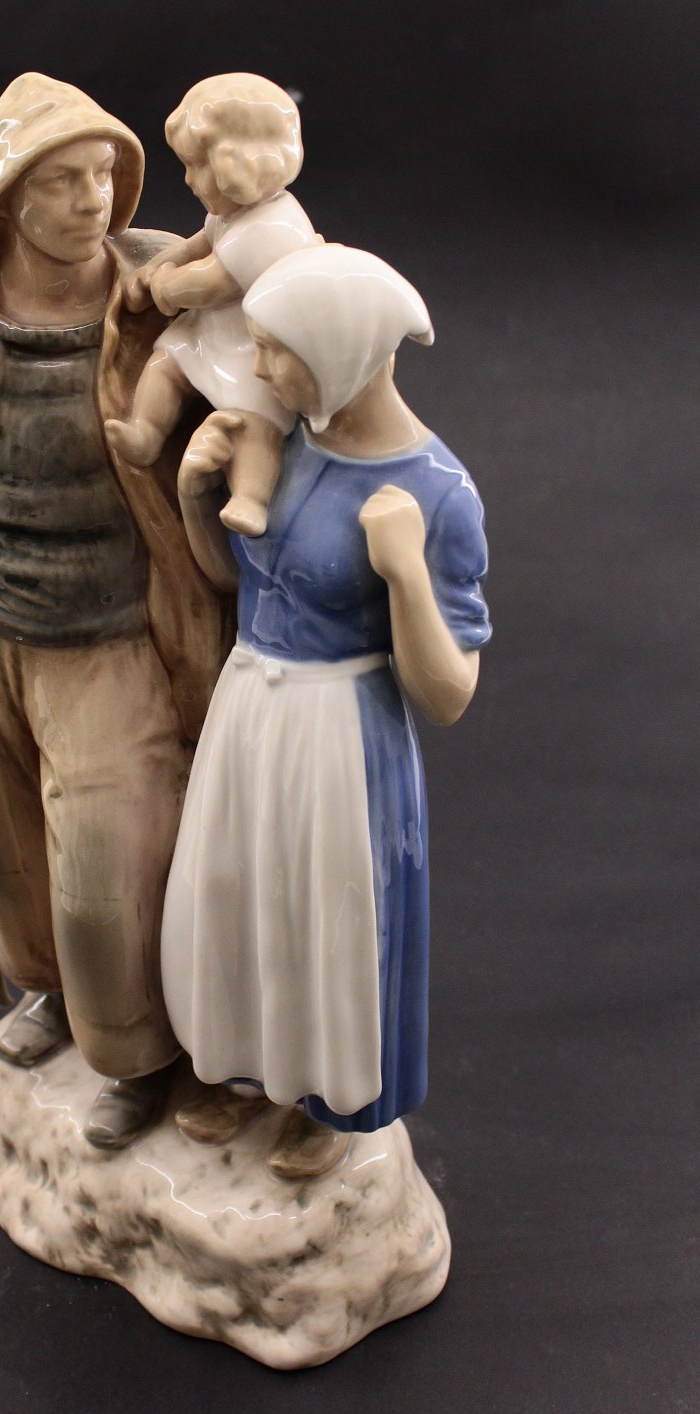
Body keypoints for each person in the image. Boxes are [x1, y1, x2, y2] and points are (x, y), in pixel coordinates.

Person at [0, 73, 231, 1149]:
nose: (92, 198)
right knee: (6, 846)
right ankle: (51, 997)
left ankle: (136, 1053)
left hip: (113, 639)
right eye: (63, 180)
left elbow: (264, 399)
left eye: (104, 175)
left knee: (108, 873)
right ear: (6, 199)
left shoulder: (162, 304)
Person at [161, 245, 491, 1180]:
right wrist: (195, 498)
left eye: (278, 350)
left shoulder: (438, 493)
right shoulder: (289, 442)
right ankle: (243, 1069)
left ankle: (330, 1101)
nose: (259, 368)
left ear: (342, 352)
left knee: (326, 920)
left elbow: (449, 693)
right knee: (236, 894)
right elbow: (243, 586)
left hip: (338, 736)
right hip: (250, 712)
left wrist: (406, 573)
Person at [105, 74, 319, 538]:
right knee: (165, 364)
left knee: (254, 423)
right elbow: (196, 245)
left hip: (255, 350)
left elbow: (210, 283)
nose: (188, 179)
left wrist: (165, 288)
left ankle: (251, 499)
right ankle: (145, 432)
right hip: (213, 332)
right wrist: (155, 266)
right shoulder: (232, 213)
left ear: (237, 166)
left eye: (196, 166)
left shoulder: (273, 227)